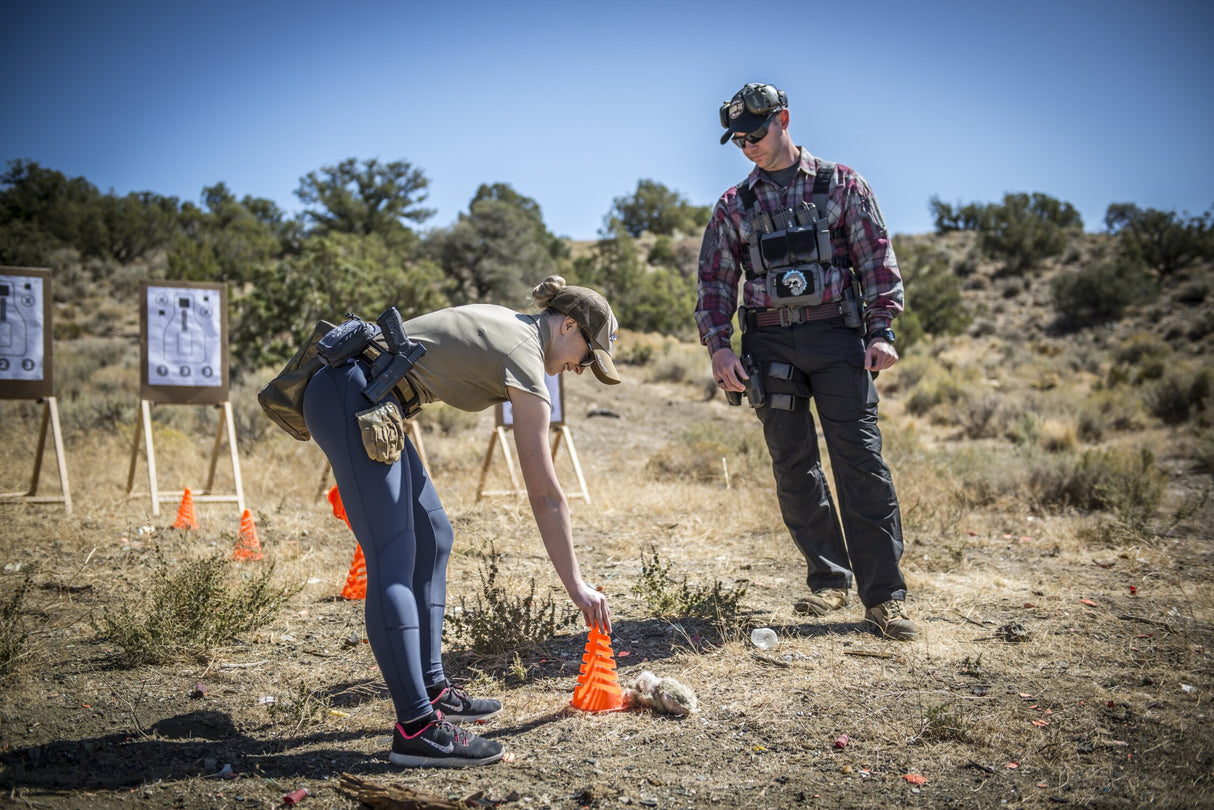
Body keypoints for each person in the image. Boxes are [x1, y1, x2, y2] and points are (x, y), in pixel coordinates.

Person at [302, 276, 619, 767]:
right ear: (568, 324)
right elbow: (544, 493)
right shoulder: (526, 354)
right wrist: (576, 584)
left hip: (368, 398)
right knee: (394, 555)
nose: (581, 369)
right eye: (587, 354)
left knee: (432, 537)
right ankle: (417, 729)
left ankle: (431, 690)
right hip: (352, 396)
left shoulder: (521, 330)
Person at [695, 82, 919, 642]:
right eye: (738, 139)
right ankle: (829, 580)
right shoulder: (733, 206)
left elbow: (877, 262)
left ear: (784, 120)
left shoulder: (841, 185)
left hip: (840, 342)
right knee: (795, 469)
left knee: (861, 467)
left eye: (756, 133)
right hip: (769, 348)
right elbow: (715, 284)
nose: (747, 145)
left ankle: (884, 598)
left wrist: (882, 330)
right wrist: (719, 346)